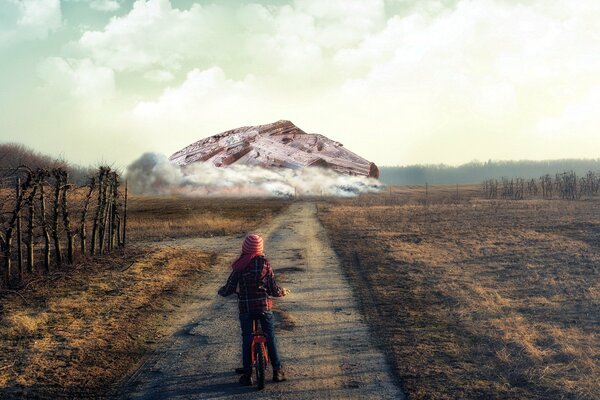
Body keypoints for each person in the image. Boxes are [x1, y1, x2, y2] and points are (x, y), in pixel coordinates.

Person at [218, 233, 289, 386]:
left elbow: (230, 287)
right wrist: (282, 292)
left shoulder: (240, 265)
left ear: (245, 248)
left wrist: (222, 291)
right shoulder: (265, 263)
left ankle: (247, 374)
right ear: (260, 248)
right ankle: (277, 371)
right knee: (270, 336)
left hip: (246, 308)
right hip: (264, 307)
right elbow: (273, 289)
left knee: (247, 338)